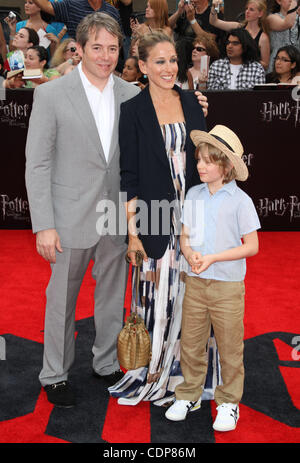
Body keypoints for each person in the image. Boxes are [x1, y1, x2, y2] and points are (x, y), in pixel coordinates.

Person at [25, 12, 140, 408]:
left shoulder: (132, 95)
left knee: (112, 294)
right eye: (97, 48)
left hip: (115, 214)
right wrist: (44, 224)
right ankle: (54, 373)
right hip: (68, 215)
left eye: (113, 48)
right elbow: (37, 163)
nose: (106, 57)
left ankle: (106, 362)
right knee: (62, 300)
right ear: (79, 48)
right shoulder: (51, 94)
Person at [108, 30, 220, 407]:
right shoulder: (133, 111)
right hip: (154, 220)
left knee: (195, 295)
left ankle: (191, 376)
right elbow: (129, 177)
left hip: (193, 214)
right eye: (160, 61)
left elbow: (205, 159)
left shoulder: (191, 102)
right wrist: (134, 234)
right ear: (142, 66)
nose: (169, 68)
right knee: (157, 295)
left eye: (173, 60)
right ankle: (155, 372)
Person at [165, 125, 260, 432]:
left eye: (209, 161)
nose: (201, 166)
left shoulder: (240, 201)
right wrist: (190, 252)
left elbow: (252, 246)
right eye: (199, 160)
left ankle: (229, 402)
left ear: (227, 166)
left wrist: (213, 258)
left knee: (231, 347)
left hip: (228, 287)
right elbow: (186, 237)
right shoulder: (193, 194)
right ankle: (189, 394)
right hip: (195, 283)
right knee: (191, 343)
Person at [209, 0, 270, 70]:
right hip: (231, 69)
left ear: (260, 14)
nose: (247, 12)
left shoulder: (263, 37)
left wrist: (249, 57)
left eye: (251, 10)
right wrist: (214, 8)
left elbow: (265, 65)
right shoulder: (237, 27)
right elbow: (214, 22)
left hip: (250, 73)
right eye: (246, 8)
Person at [30, 0, 122, 39]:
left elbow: (118, 41)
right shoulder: (72, 5)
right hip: (77, 63)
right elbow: (46, 6)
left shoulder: (113, 12)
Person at [266, 0, 300, 73]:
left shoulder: (298, 18)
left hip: (296, 63)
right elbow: (287, 24)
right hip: (278, 63)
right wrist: (294, 5)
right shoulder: (272, 18)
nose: (291, 0)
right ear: (279, 1)